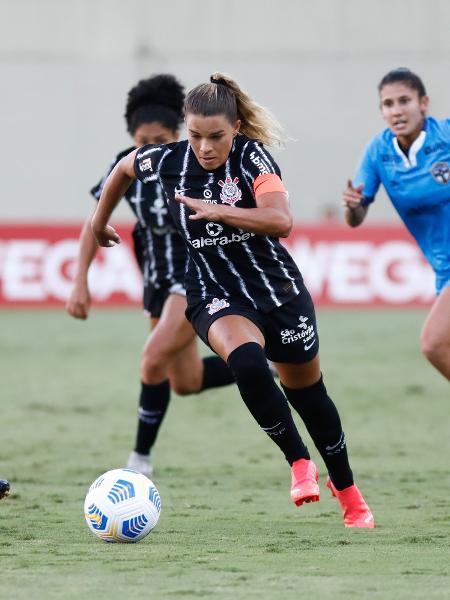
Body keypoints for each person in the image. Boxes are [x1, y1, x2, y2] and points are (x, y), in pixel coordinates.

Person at [91, 72, 374, 528]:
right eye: (195, 135)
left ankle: (349, 492)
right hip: (212, 291)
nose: (204, 147)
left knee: (309, 396)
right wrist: (98, 221)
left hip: (277, 292)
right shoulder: (167, 160)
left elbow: (281, 220)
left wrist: (220, 211)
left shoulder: (252, 159)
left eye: (216, 136)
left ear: (236, 128)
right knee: (244, 363)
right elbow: (123, 169)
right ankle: (299, 464)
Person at [67, 74, 235, 476]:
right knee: (186, 381)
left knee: (151, 358)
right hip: (157, 282)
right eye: (142, 142)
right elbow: (95, 220)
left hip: (197, 275)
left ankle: (138, 462)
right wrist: (80, 279)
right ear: (132, 139)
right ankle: (268, 363)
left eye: (160, 140)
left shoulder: (195, 162)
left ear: (177, 133)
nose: (150, 149)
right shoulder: (126, 167)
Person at [343, 68, 450, 381]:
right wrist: (352, 206)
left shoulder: (445, 135)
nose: (397, 110)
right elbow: (356, 218)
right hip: (443, 270)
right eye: (388, 104)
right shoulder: (378, 153)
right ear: (382, 111)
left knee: (434, 343)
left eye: (405, 100)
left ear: (423, 103)